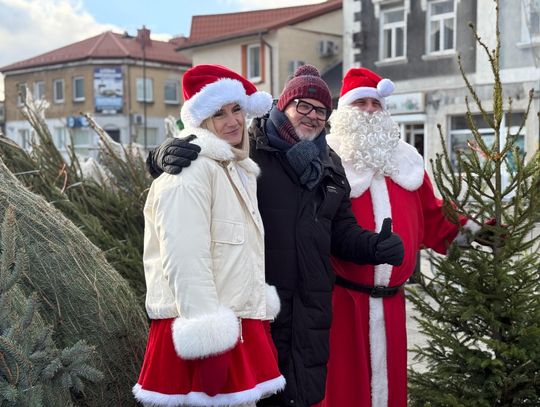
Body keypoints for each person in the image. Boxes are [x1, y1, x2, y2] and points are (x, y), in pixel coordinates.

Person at [146, 64, 405, 407]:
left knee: (302, 395)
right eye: (304, 106)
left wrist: (374, 246)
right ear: (282, 106)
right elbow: (201, 155)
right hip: (257, 310)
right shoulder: (250, 151)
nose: (312, 116)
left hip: (311, 306)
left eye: (321, 110)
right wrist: (159, 156)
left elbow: (339, 230)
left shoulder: (330, 164)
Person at [318, 67, 478, 407]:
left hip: (392, 304)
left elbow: (433, 214)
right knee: (344, 391)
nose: (370, 111)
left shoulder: (405, 161)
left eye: (376, 104)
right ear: (345, 111)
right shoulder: (328, 159)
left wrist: (472, 230)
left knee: (388, 392)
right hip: (343, 303)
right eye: (360, 103)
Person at [133, 64, 286, 407]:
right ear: (200, 120)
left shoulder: (235, 167)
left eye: (236, 110)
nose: (232, 121)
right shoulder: (191, 169)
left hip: (234, 325)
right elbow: (185, 257)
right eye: (219, 113)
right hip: (205, 330)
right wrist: (208, 341)